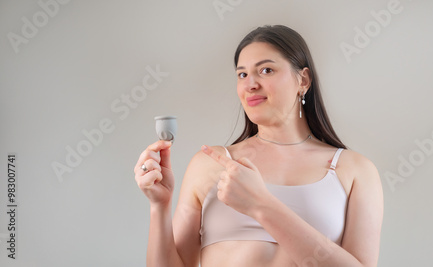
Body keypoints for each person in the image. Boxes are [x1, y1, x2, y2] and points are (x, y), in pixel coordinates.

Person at [134, 25, 383, 267]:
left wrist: (262, 205)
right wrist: (159, 206)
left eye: (266, 70)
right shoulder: (210, 164)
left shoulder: (353, 170)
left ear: (303, 80)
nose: (250, 84)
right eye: (242, 74)